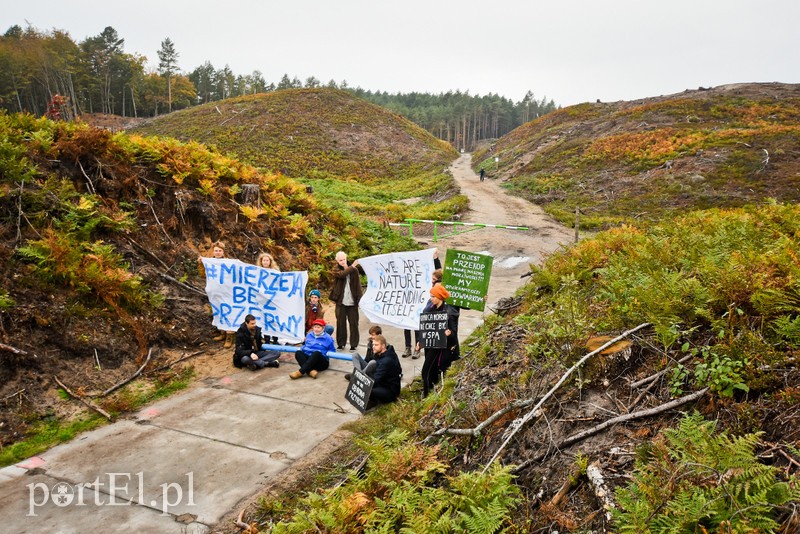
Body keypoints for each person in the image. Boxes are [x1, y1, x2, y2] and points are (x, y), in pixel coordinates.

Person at [416, 284, 459, 397]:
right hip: (431, 345)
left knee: (426, 371)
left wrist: (449, 334)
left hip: (441, 348)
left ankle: (426, 395)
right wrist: (420, 342)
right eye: (431, 296)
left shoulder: (449, 313)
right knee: (431, 371)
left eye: (433, 296)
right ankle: (430, 390)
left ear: (439, 297)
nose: (431, 299)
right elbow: (425, 328)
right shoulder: (429, 309)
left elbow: (454, 334)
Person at [403, 251, 442, 359]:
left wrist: (435, 259)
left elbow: (439, 272)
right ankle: (408, 347)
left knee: (417, 326)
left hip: (421, 303)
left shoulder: (432, 281)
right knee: (406, 325)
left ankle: (417, 348)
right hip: (410, 301)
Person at [198, 241, 235, 348]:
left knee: (228, 313)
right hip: (215, 293)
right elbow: (203, 275)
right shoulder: (210, 263)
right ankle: (222, 333)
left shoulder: (228, 263)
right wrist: (201, 264)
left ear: (223, 252)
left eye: (220, 251)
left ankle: (229, 337)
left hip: (227, 292)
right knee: (218, 312)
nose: (218, 253)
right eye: (216, 251)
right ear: (213, 252)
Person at [329, 251, 362, 351]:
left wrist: (359, 299)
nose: (342, 262)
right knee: (340, 323)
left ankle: (353, 344)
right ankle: (341, 343)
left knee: (354, 323)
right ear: (337, 260)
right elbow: (342, 275)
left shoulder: (354, 270)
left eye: (344, 259)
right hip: (340, 301)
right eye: (340, 260)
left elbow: (358, 286)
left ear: (346, 258)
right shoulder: (336, 269)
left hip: (352, 301)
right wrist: (352, 266)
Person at [366, 335, 403, 406]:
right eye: (373, 344)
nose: (373, 346)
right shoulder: (380, 354)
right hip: (383, 384)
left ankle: (374, 401)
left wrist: (364, 384)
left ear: (383, 346)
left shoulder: (386, 361)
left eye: (376, 345)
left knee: (366, 389)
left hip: (390, 391)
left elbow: (376, 380)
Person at [256, 252, 281, 344]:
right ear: (261, 261)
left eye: (267, 260)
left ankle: (275, 339)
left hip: (273, 300)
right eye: (264, 260)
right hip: (262, 300)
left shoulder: (275, 272)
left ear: (270, 262)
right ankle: (267, 339)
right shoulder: (257, 271)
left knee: (274, 320)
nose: (265, 262)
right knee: (264, 319)